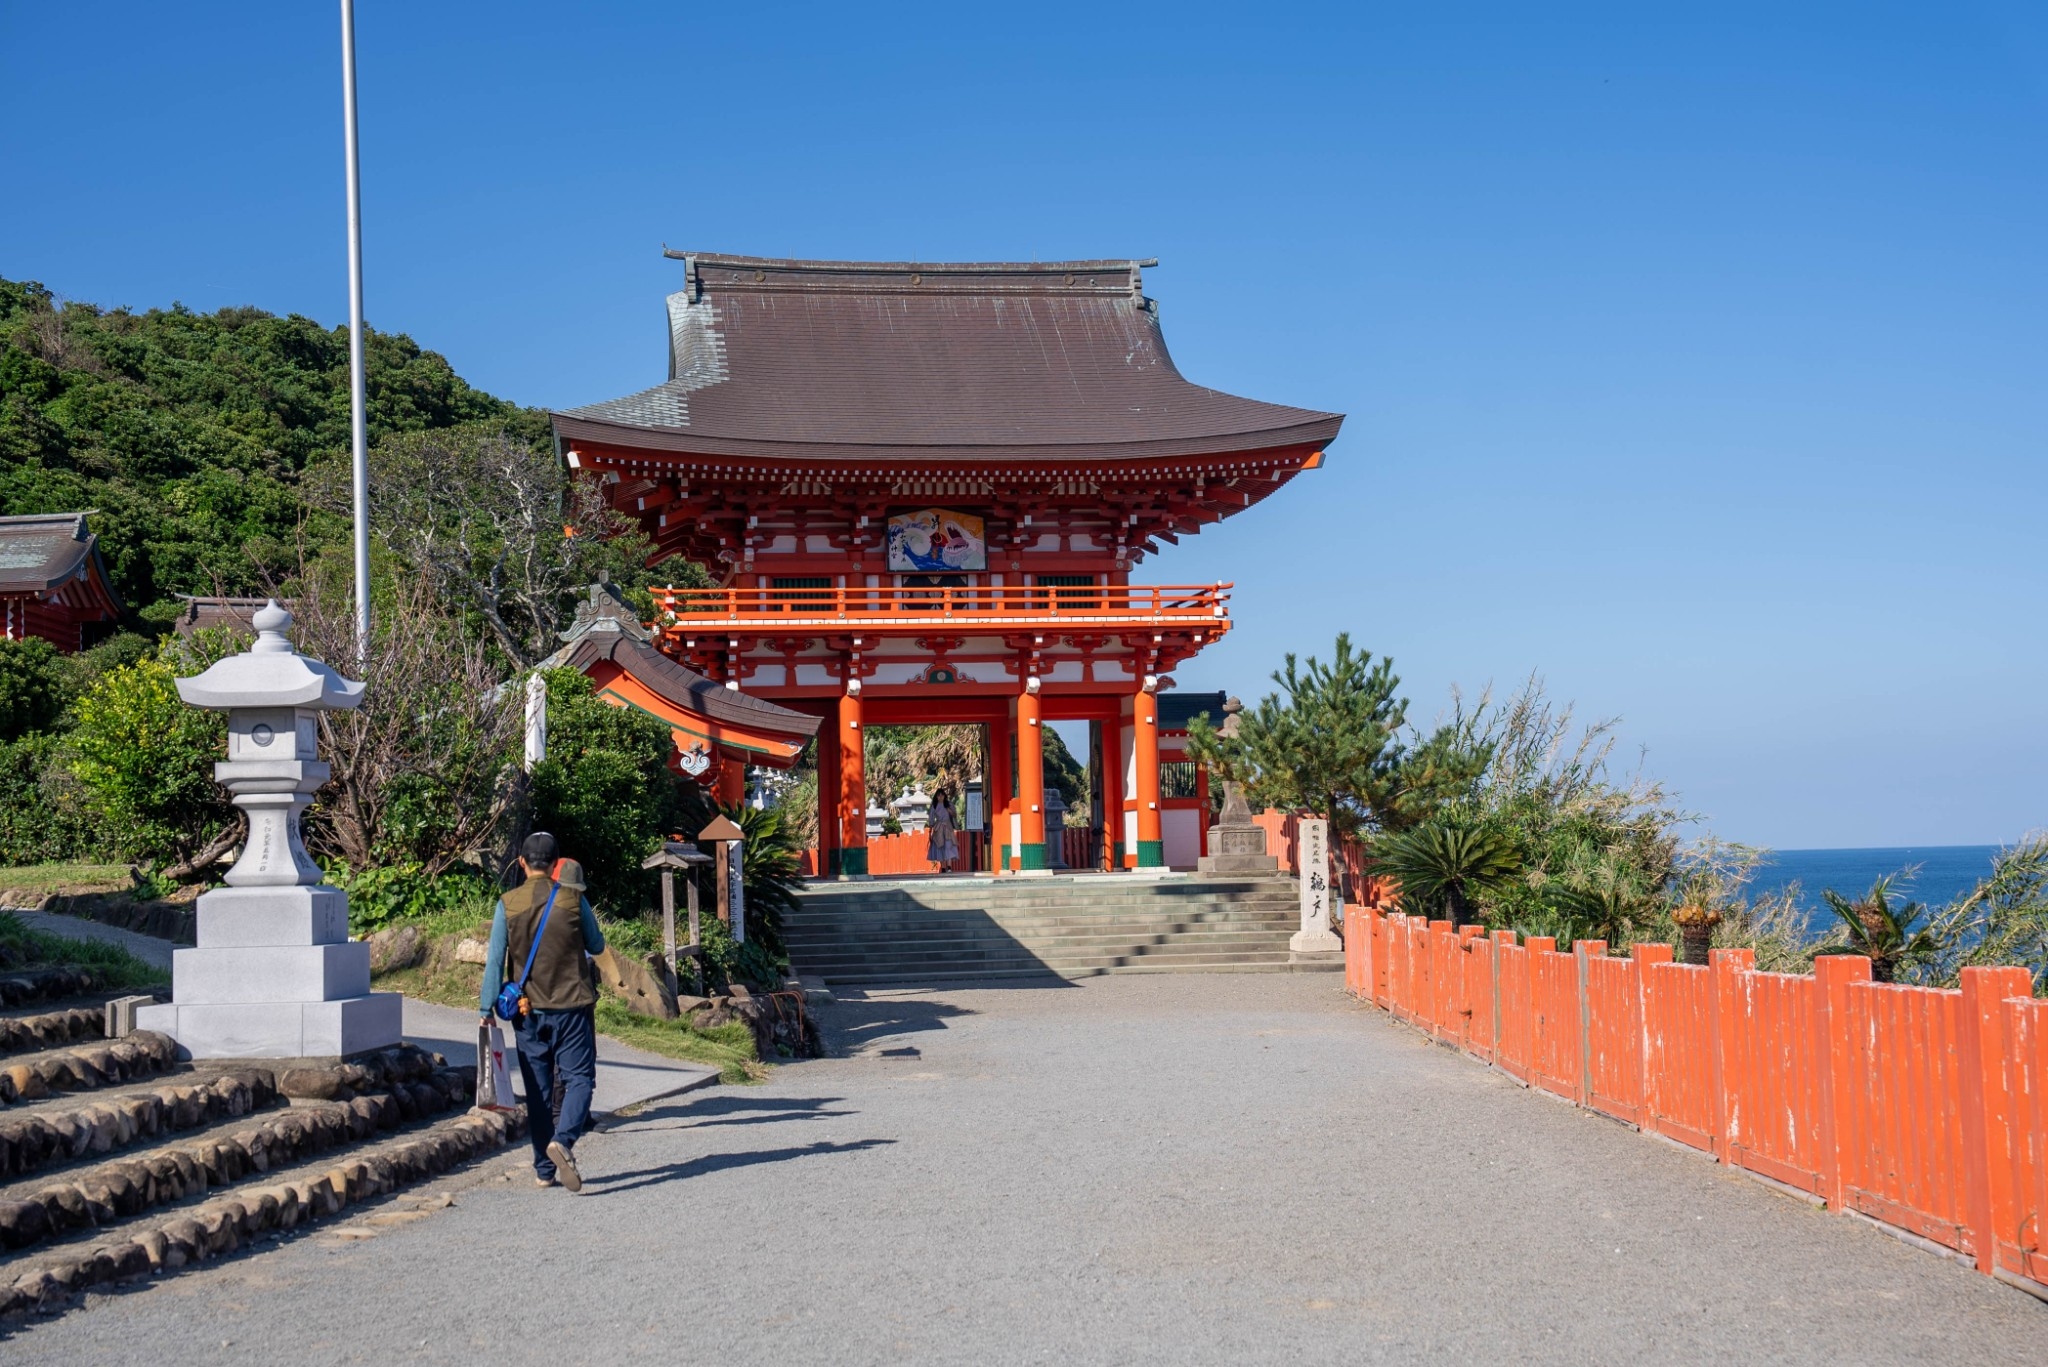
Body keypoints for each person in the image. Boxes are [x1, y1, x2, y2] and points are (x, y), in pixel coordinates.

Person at [480, 831, 605, 1192]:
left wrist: (486, 1007)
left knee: (538, 1091)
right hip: (572, 1007)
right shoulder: (571, 899)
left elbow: (494, 960)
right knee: (579, 1078)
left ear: (521, 863)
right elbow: (596, 943)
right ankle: (563, 1141)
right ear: (555, 865)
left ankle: (543, 1170)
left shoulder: (508, 903)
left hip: (527, 1011)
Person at [927, 788, 959, 871]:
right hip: (939, 827)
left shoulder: (949, 804)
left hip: (948, 827)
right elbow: (931, 818)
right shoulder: (934, 805)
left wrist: (949, 811)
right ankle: (943, 866)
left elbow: (955, 815)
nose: (940, 797)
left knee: (949, 845)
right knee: (940, 846)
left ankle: (949, 866)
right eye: (938, 795)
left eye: (942, 795)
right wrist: (930, 830)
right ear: (936, 797)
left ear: (944, 796)